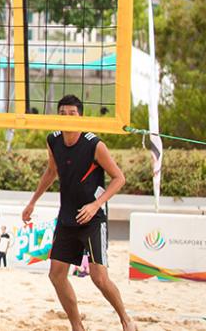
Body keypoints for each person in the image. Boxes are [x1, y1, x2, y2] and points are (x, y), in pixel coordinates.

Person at [22, 94, 134, 331]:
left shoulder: (94, 144)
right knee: (56, 274)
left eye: (72, 114)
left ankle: (126, 319)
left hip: (92, 218)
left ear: (80, 116)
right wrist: (32, 202)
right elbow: (51, 171)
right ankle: (77, 326)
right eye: (62, 114)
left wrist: (96, 205)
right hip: (67, 217)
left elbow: (119, 178)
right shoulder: (53, 140)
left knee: (99, 278)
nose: (67, 117)